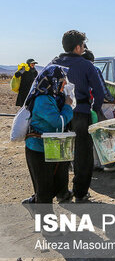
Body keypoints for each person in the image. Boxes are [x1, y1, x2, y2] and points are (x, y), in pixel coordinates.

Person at [50, 30, 105, 202]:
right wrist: (94, 109)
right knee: (83, 155)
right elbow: (99, 92)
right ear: (77, 47)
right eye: (82, 45)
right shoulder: (86, 65)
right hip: (81, 113)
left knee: (60, 153)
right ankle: (80, 193)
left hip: (59, 115)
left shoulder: (53, 64)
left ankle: (61, 193)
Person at [21, 65, 74, 227]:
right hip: (38, 149)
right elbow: (57, 123)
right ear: (53, 81)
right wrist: (67, 106)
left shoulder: (53, 96)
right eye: (62, 82)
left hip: (53, 146)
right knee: (44, 189)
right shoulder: (43, 99)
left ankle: (33, 202)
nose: (64, 85)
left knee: (57, 184)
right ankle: (47, 227)